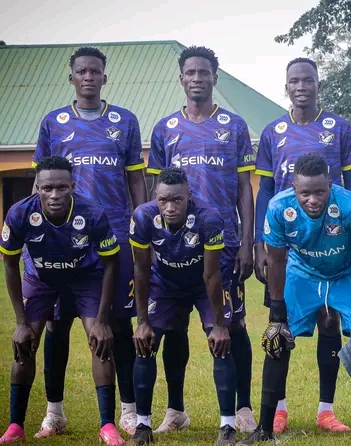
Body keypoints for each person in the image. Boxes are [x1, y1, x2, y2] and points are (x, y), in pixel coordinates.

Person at [31, 46, 146, 437]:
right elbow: (40, 182)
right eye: (82, 71)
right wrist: (35, 229)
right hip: (64, 241)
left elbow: (135, 179)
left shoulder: (125, 121)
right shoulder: (54, 123)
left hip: (114, 235)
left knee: (119, 322)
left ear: (104, 77)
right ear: (72, 77)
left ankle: (128, 410)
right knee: (57, 324)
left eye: (95, 71)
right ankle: (54, 413)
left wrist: (140, 224)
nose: (89, 77)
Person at [241, 153, 351, 444]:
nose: (313, 200)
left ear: (330, 186)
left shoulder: (349, 205)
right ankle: (264, 427)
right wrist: (276, 311)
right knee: (277, 338)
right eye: (305, 193)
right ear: (294, 188)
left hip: (346, 273)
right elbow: (276, 261)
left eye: (320, 192)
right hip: (303, 273)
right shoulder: (278, 207)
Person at [147, 45, 256, 433]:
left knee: (232, 325)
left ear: (215, 77)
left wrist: (247, 242)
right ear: (181, 79)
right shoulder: (165, 129)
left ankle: (243, 409)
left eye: (204, 72)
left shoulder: (235, 125)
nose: (197, 78)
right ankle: (175, 411)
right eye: (190, 72)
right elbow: (156, 192)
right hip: (175, 248)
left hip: (223, 245)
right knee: (173, 327)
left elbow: (245, 189)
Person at [252, 57, 351, 433]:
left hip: (332, 244)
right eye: (294, 81)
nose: (301, 86)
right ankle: (278, 410)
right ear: (286, 86)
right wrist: (259, 243)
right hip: (287, 245)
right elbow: (265, 189)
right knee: (280, 325)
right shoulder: (273, 132)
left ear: (318, 84)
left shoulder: (339, 127)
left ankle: (325, 410)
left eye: (308, 80)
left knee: (329, 322)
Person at [0, 156, 124, 445]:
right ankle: (16, 425)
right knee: (25, 343)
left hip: (85, 279)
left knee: (99, 340)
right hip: (41, 280)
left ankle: (107, 425)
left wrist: (102, 320)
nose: (54, 195)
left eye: (61, 188)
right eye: (47, 188)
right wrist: (21, 322)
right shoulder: (19, 213)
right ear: (37, 187)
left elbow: (111, 263)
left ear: (72, 186)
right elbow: (10, 264)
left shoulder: (91, 212)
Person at [128, 168, 237, 445]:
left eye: (177, 199)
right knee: (145, 343)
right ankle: (142, 426)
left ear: (189, 196)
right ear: (155, 196)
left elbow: (211, 275)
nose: (170, 207)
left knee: (220, 343)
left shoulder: (209, 218)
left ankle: (228, 427)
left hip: (203, 284)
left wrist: (219, 325)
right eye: (163, 200)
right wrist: (142, 322)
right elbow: (141, 269)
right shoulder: (143, 216)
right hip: (165, 284)